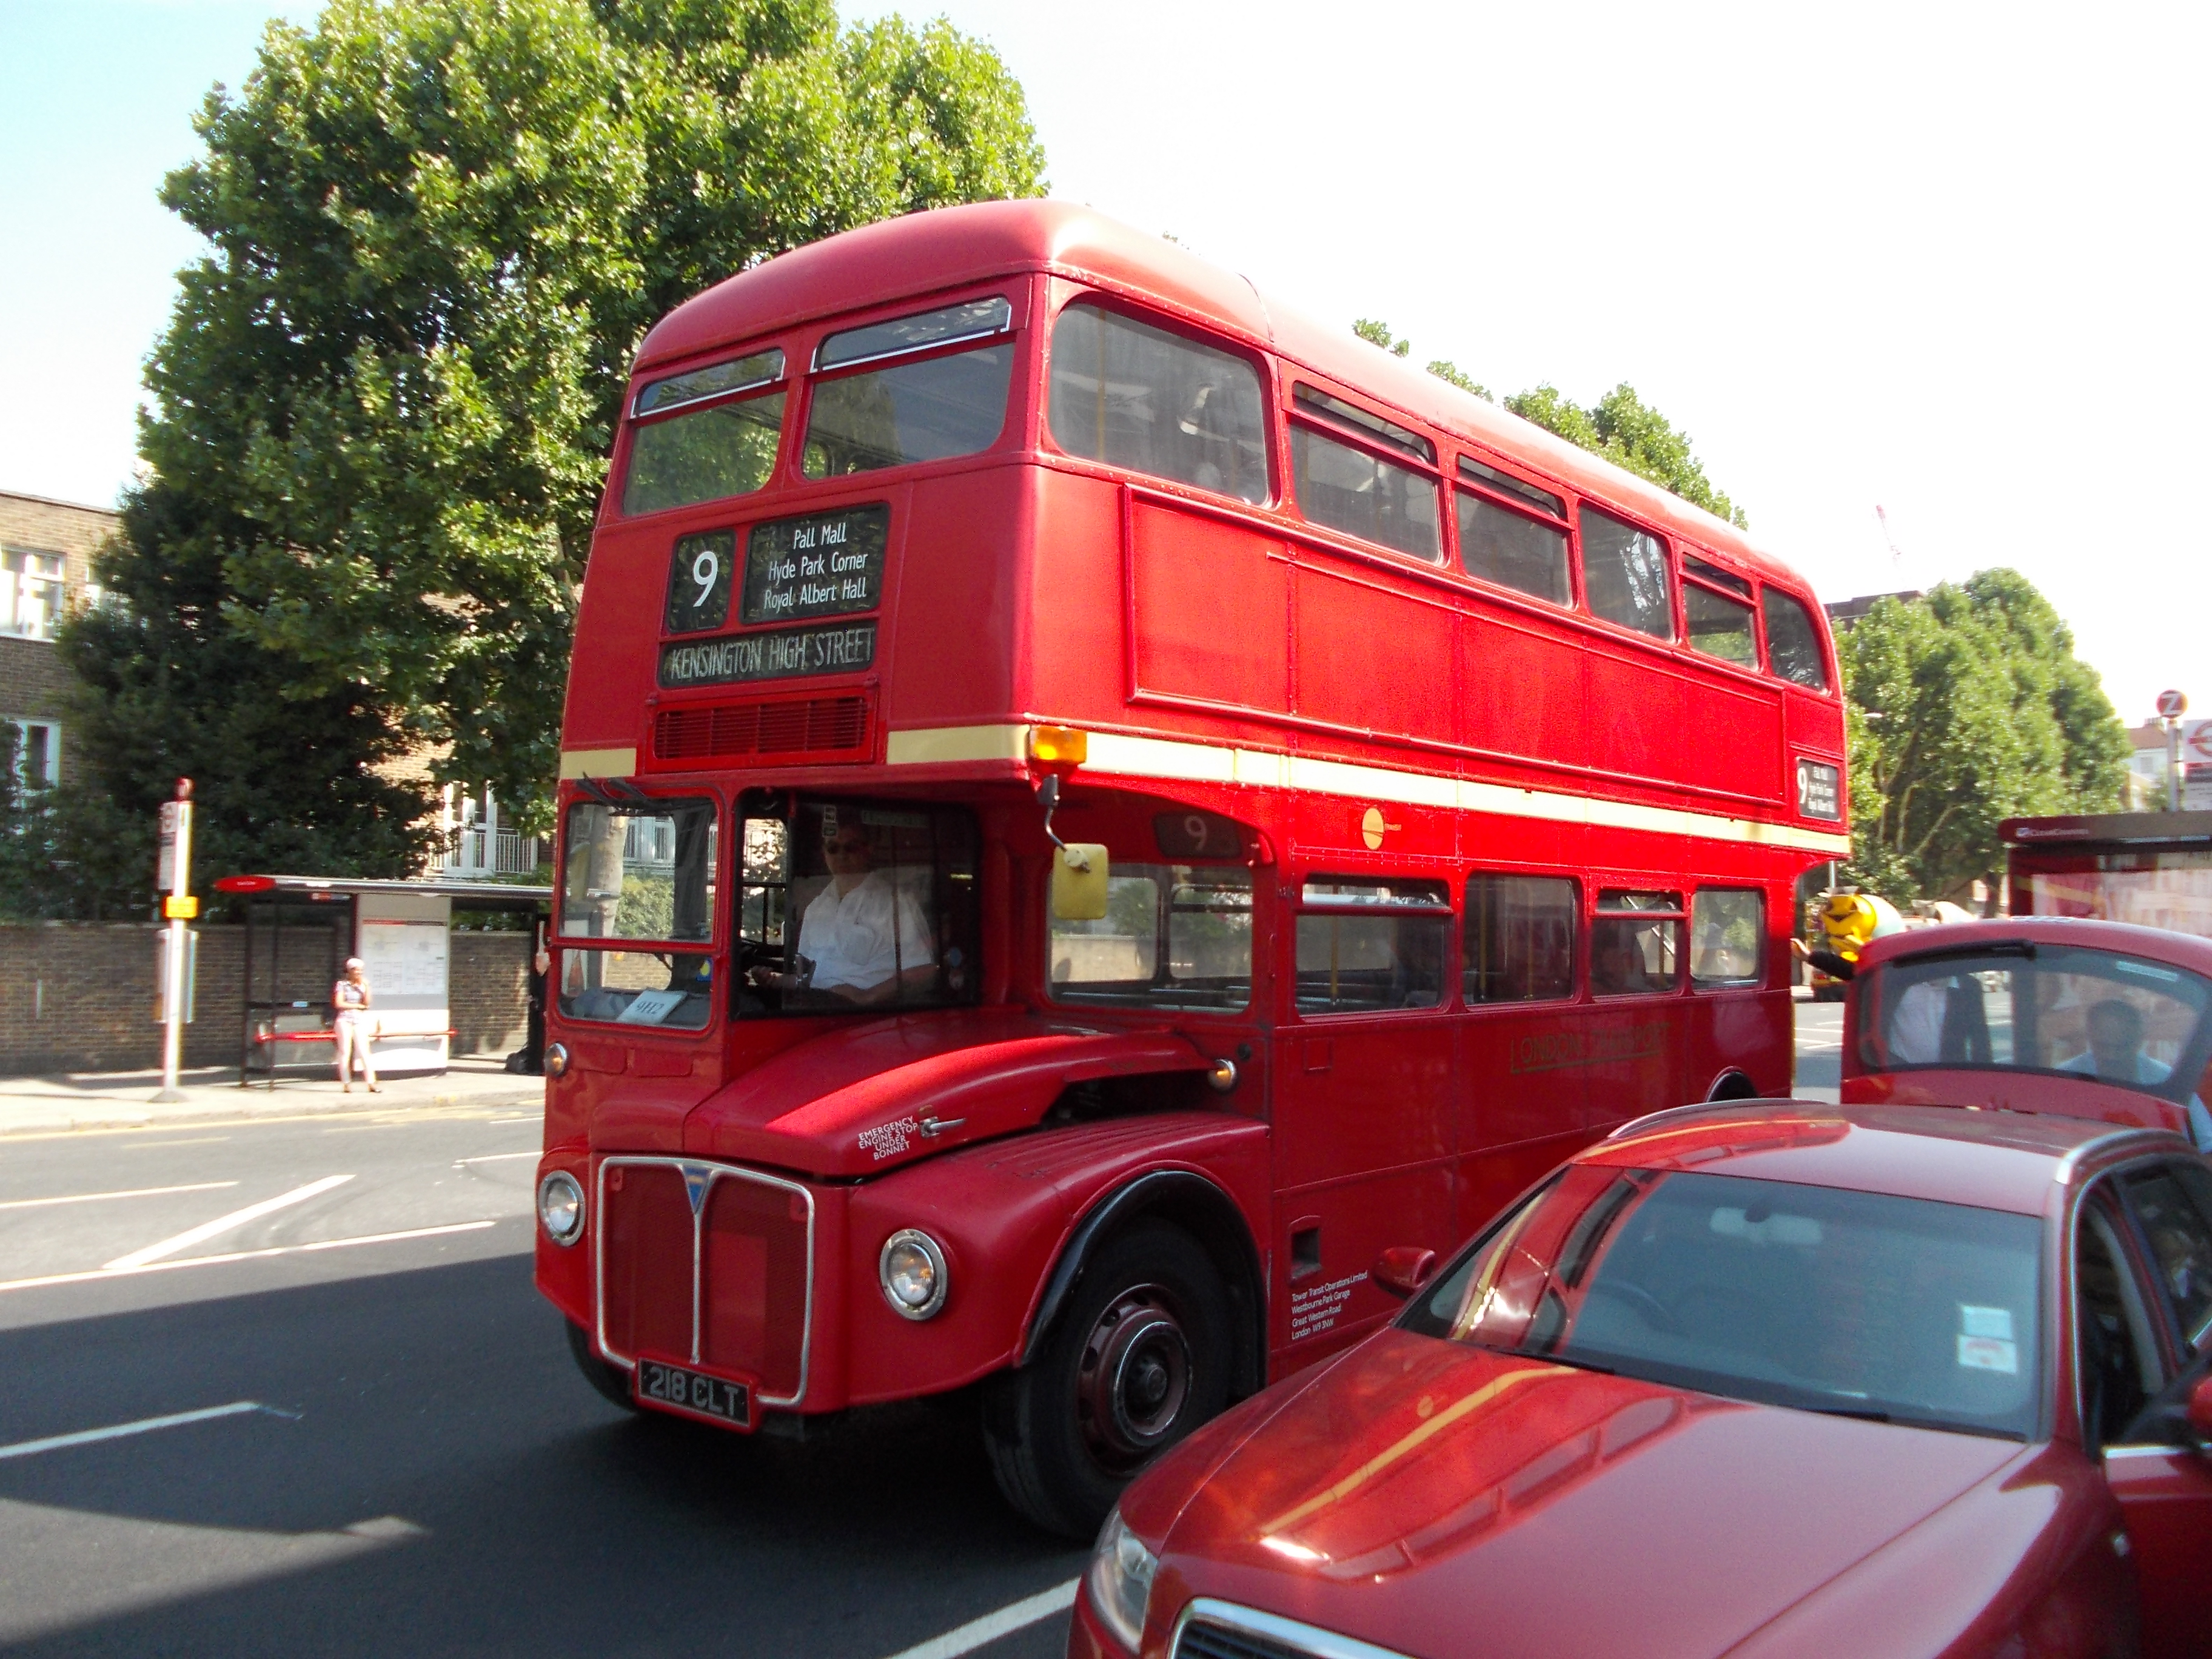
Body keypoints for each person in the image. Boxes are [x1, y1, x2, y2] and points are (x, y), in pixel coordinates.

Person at [749, 822, 936, 1006]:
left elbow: (923, 971)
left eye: (851, 847)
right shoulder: (816, 907)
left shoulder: (895, 903)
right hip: (811, 1008)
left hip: (864, 1019)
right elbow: (810, 977)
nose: (842, 855)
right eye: (833, 848)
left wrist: (868, 996)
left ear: (868, 849)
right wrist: (777, 980)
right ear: (824, 853)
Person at [2062, 998, 2212, 1150]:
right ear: (2090, 1036)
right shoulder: (2065, 1079)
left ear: (2139, 1040)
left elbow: (2207, 1145)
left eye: (2121, 1048)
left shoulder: (2168, 1080)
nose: (2112, 1056)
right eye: (2104, 1046)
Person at [332, 956, 380, 1093]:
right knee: (345, 1051)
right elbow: (339, 1004)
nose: (359, 973)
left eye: (361, 970)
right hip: (344, 1020)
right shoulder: (342, 985)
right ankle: (346, 1083)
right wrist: (358, 1005)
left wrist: (366, 987)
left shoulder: (362, 986)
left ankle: (371, 1083)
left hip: (359, 1020)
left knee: (364, 1051)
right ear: (350, 971)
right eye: (356, 970)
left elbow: (367, 1003)